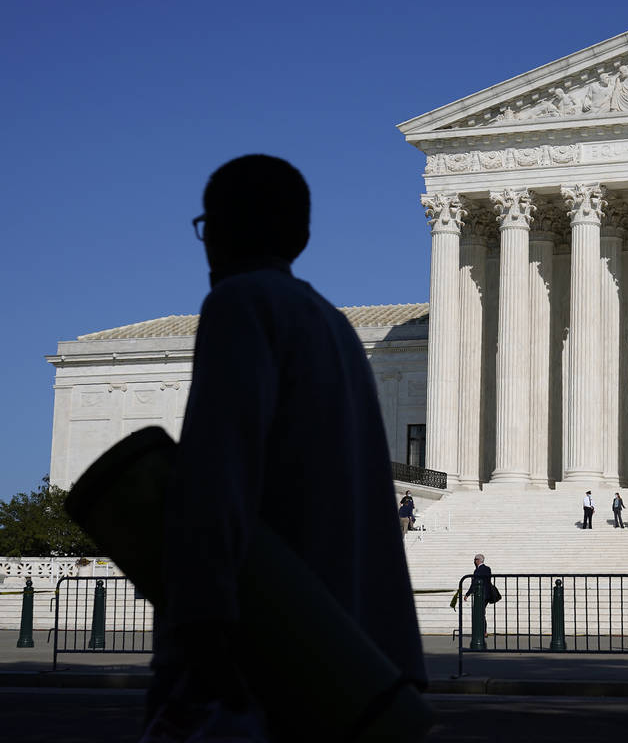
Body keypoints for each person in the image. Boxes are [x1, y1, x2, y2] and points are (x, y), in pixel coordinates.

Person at [146, 155, 427, 740]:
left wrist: (199, 626)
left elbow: (215, 473)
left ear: (218, 230)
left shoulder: (241, 303)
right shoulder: (335, 326)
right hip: (344, 643)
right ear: (299, 235)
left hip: (269, 634)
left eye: (209, 226)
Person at [464, 553, 493, 635]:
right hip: (487, 594)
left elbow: (474, 583)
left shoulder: (477, 570)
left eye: (475, 559)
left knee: (479, 613)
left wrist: (467, 594)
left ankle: (482, 631)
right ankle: (484, 631)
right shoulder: (488, 569)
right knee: (482, 612)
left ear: (478, 560)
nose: (474, 561)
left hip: (480, 595)